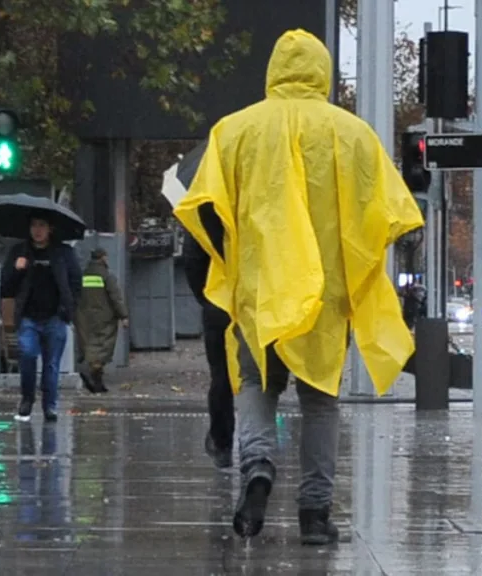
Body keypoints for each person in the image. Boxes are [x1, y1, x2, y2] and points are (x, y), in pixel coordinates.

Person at [175, 30, 423, 545]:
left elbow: (202, 208)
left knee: (256, 386)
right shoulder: (353, 134)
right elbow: (389, 214)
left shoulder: (234, 131)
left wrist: (225, 268)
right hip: (325, 298)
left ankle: (258, 467)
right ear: (323, 72)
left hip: (259, 292)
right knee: (320, 404)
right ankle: (315, 513)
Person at [0, 215, 82, 423]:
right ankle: (27, 398)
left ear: (50, 229)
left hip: (55, 317)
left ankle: (50, 406)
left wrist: (68, 310)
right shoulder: (19, 252)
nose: (37, 230)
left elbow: (75, 283)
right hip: (28, 318)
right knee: (27, 355)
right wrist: (17, 270)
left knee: (51, 364)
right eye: (34, 225)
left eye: (42, 226)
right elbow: (6, 287)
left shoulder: (63, 253)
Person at [181, 229, 234, 469]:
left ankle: (223, 443)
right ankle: (259, 449)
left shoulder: (206, 204)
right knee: (257, 378)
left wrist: (206, 297)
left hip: (218, 301)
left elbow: (192, 258)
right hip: (257, 300)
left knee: (221, 375)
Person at [75, 248, 129, 394]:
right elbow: (116, 298)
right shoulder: (106, 276)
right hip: (104, 318)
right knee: (102, 349)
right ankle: (89, 372)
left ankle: (98, 384)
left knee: (89, 346)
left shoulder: (83, 275)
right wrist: (123, 316)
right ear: (103, 258)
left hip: (84, 317)